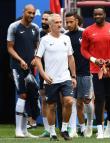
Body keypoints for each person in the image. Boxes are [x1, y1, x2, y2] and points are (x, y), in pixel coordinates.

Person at [81, 7, 110, 139]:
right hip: (96, 70)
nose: (98, 16)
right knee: (99, 99)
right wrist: (94, 60)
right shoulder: (88, 31)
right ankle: (100, 129)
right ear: (93, 16)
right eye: (95, 14)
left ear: (105, 14)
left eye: (100, 14)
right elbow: (84, 50)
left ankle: (109, 127)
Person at [35, 14, 77, 141]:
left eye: (60, 22)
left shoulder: (66, 38)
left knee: (69, 101)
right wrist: (43, 75)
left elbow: (70, 57)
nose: (60, 24)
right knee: (51, 106)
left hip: (65, 77)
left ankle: (64, 129)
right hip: (50, 80)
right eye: (57, 22)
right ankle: (52, 132)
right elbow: (37, 59)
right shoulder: (44, 40)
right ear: (50, 24)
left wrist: (73, 76)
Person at [7, 4, 39, 138]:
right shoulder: (13, 26)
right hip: (17, 66)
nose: (31, 16)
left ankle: (25, 130)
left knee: (31, 96)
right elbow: (9, 47)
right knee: (22, 95)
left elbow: (37, 46)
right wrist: (20, 60)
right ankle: (18, 130)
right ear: (24, 12)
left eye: (33, 13)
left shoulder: (35, 28)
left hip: (31, 68)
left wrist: (36, 57)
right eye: (29, 13)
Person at [65, 12, 94, 138]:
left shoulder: (85, 33)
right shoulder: (64, 36)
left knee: (86, 101)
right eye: (67, 22)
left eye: (71, 22)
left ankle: (89, 126)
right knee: (73, 102)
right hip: (71, 75)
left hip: (87, 72)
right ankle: (75, 129)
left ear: (77, 21)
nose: (69, 24)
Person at [38, 10, 53, 138]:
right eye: (42, 19)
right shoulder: (38, 33)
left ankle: (69, 127)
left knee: (65, 101)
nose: (43, 21)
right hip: (43, 72)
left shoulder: (61, 34)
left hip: (59, 72)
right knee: (44, 100)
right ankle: (47, 129)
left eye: (46, 19)